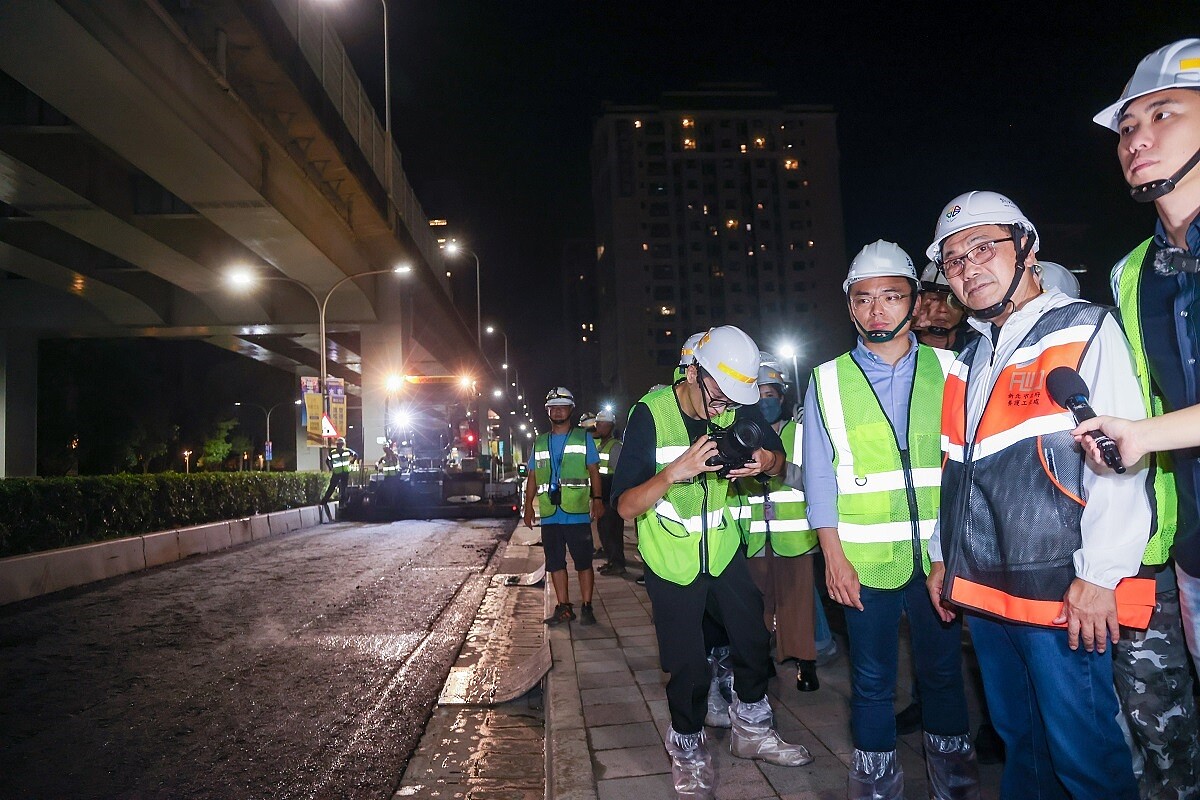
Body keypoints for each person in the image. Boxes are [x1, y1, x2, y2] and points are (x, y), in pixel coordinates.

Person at [925, 190, 1154, 800]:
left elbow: (1122, 459)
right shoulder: (968, 357)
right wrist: (943, 558)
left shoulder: (1080, 327)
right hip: (988, 589)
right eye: (952, 261)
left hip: (1062, 592)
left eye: (982, 247)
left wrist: (1102, 574)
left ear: (1027, 247)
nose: (968, 267)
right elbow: (954, 468)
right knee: (1022, 746)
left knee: (1086, 757)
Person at [803, 240, 974, 800]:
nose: (877, 309)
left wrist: (950, 553)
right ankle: (877, 788)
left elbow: (961, 467)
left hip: (937, 559)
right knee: (872, 682)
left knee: (943, 676)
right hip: (862, 561)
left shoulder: (952, 369)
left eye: (891, 296)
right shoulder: (827, 379)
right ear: (850, 307)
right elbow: (820, 476)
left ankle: (954, 784)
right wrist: (832, 557)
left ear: (914, 301)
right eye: (864, 298)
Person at [612, 325, 812, 800]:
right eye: (719, 397)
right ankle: (686, 746)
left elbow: (780, 459)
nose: (726, 410)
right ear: (694, 372)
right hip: (671, 558)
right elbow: (623, 506)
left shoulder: (733, 406)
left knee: (753, 640)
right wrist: (674, 472)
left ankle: (752, 730)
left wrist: (766, 463)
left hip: (722, 552)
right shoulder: (650, 413)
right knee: (688, 668)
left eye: (733, 401)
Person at [1087, 40, 1200, 798]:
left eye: (1165, 113)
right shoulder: (1134, 271)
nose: (1137, 138)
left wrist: (1143, 437)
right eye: (1128, 126)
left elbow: (1150, 426)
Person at [735, 355, 821, 692]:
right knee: (757, 604)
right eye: (757, 395)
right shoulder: (742, 435)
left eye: (770, 394)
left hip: (795, 537)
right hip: (754, 537)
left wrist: (778, 469)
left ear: (782, 398)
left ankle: (805, 663)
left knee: (797, 602)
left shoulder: (800, 434)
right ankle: (762, 660)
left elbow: (813, 480)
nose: (764, 401)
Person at [523, 387, 603, 626]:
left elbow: (594, 472)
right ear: (548, 411)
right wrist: (528, 507)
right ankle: (564, 607)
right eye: (553, 407)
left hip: (577, 512)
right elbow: (532, 477)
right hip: (550, 514)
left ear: (570, 409)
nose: (557, 410)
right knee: (555, 562)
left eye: (562, 406)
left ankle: (587, 606)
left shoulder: (583, 437)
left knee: (583, 562)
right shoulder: (539, 442)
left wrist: (597, 500)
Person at [913, 262, 976, 351]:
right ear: (919, 301)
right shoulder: (901, 346)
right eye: (935, 299)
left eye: (952, 301)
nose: (942, 309)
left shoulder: (977, 348)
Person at [593, 409, 627, 576]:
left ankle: (618, 563)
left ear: (610, 426)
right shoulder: (601, 446)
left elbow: (621, 473)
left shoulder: (614, 447)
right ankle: (612, 561)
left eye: (602, 424)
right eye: (598, 424)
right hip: (604, 496)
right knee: (605, 532)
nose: (599, 427)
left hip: (611, 497)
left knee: (612, 531)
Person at [321, 436, 357, 521]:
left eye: (341, 444)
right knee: (332, 486)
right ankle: (324, 500)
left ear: (343, 445)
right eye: (338, 444)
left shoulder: (347, 451)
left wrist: (352, 461)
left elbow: (355, 455)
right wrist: (331, 468)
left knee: (343, 489)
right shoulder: (333, 453)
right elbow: (327, 460)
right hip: (337, 472)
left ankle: (342, 504)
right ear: (337, 445)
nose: (339, 446)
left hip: (345, 472)